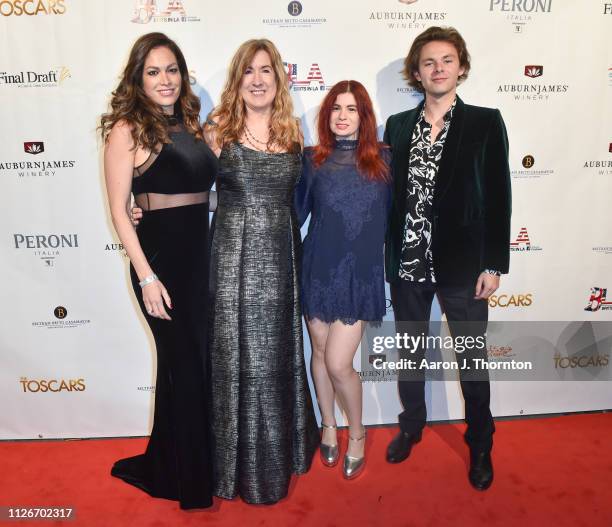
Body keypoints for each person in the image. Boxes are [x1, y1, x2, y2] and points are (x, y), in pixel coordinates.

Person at [383, 26, 511, 491]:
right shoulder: (398, 126)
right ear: (416, 72)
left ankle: (481, 442)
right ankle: (412, 425)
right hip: (409, 263)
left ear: (461, 67)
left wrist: (494, 264)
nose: (438, 69)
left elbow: (499, 196)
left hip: (464, 266)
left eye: (447, 60)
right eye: (429, 62)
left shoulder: (484, 122)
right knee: (411, 354)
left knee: (473, 360)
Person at [101, 32, 217, 509]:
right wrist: (146, 276)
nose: (165, 80)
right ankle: (190, 485)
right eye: (154, 72)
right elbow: (117, 209)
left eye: (172, 70)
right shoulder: (127, 129)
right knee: (185, 366)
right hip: (161, 265)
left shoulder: (193, 124)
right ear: (138, 79)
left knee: (187, 366)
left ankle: (172, 463)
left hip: (201, 260)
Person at [205, 39, 319, 504]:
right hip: (231, 258)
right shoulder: (216, 133)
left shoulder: (293, 134)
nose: (257, 79)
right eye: (248, 71)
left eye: (266, 71)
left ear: (279, 79)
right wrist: (142, 208)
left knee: (274, 358)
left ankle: (280, 454)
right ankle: (232, 467)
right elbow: (187, 189)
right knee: (233, 357)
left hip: (281, 257)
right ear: (238, 80)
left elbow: (311, 199)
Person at [294, 80, 391, 479]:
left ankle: (357, 433)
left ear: (364, 116)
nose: (343, 116)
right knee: (318, 354)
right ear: (326, 114)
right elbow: (292, 214)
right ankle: (328, 426)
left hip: (360, 274)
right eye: (336, 108)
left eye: (351, 109)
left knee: (338, 363)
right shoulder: (311, 159)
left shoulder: (386, 158)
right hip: (318, 267)